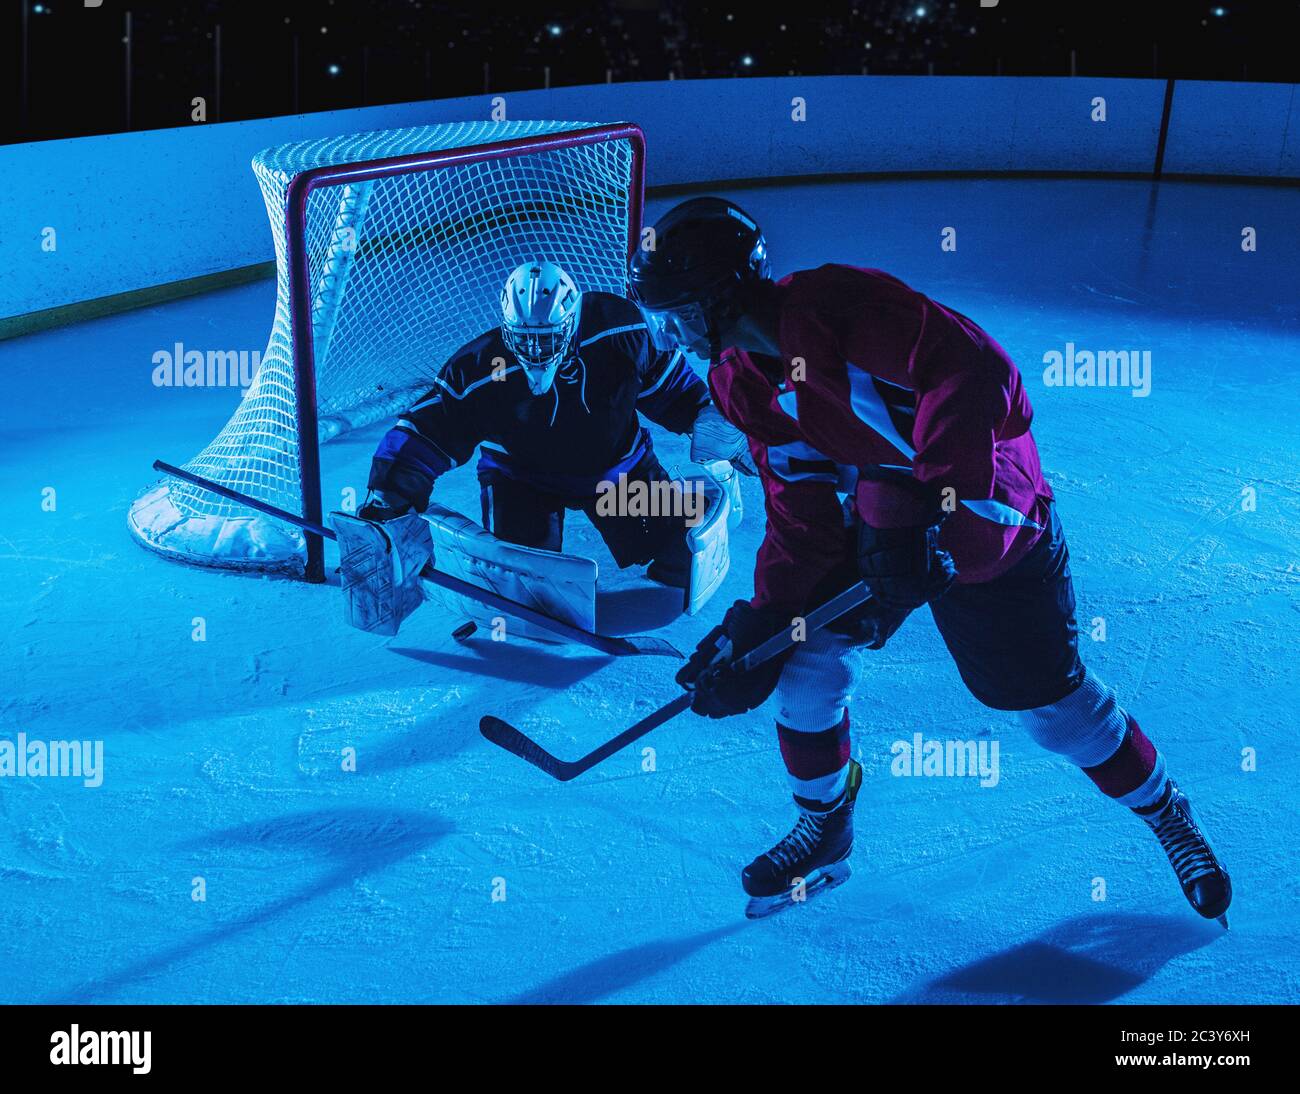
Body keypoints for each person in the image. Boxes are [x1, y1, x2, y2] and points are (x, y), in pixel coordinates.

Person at [629, 197, 1233, 923]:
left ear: (717, 298)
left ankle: (1164, 808)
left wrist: (935, 505)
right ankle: (827, 824)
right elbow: (799, 501)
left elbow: (980, 373)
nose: (671, 334)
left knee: (1050, 708)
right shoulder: (739, 381)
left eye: (676, 313)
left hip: (983, 511)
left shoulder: (838, 305)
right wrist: (765, 618)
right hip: (879, 524)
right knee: (801, 664)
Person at [358, 260, 750, 591]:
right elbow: (426, 431)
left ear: (573, 322)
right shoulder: (478, 369)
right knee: (525, 586)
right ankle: (527, 571)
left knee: (684, 553)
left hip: (619, 478)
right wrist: (389, 494)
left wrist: (711, 419)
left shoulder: (623, 330)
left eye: (547, 338)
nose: (535, 350)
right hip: (524, 485)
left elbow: (672, 389)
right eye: (524, 338)